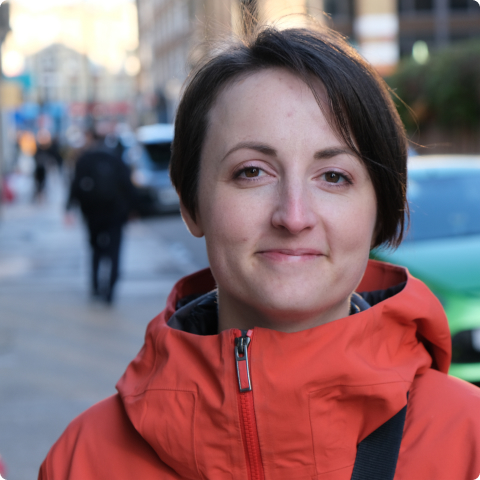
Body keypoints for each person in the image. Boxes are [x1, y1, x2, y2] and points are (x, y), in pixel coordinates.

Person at [39, 24, 480, 480]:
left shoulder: (469, 442)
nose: (293, 216)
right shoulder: (84, 460)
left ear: (380, 211)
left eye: (333, 176)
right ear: (191, 204)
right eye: (252, 172)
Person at [66, 130, 136, 304]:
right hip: (115, 214)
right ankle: (110, 291)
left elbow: (75, 185)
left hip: (92, 213)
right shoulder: (116, 158)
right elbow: (128, 185)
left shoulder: (84, 159)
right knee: (114, 252)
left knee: (95, 250)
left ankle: (96, 287)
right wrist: (134, 209)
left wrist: (68, 207)